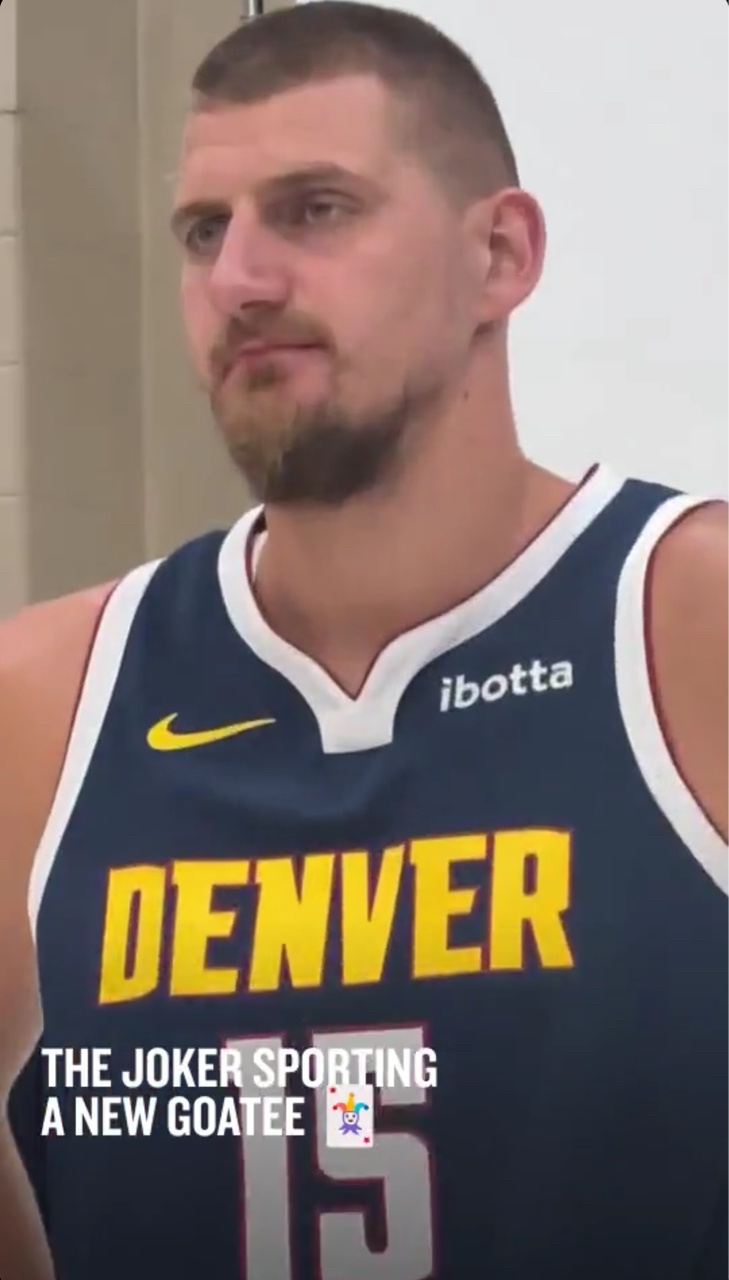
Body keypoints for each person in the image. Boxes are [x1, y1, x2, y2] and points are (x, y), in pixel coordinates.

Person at [0, 3, 726, 1279]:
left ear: (499, 254)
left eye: (315, 209)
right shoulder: (49, 697)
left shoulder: (684, 624)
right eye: (204, 231)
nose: (241, 280)